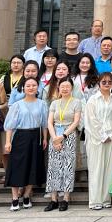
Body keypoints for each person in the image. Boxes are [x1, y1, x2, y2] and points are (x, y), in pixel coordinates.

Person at [4, 77, 48, 211]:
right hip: (20, 137)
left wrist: (45, 138)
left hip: (36, 136)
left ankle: (27, 195)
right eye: (28, 85)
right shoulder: (17, 105)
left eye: (34, 85)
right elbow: (10, 125)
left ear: (38, 88)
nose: (31, 88)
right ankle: (15, 198)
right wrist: (8, 142)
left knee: (33, 166)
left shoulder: (42, 104)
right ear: (23, 88)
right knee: (17, 166)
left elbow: (44, 123)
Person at [84, 72, 112, 210]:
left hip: (111, 138)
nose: (107, 84)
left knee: (108, 168)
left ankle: (106, 199)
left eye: (109, 82)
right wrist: (102, 136)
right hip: (95, 139)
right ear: (99, 83)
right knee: (96, 169)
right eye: (104, 82)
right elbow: (90, 121)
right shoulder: (93, 100)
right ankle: (95, 201)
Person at [44, 77, 81, 212]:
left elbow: (76, 122)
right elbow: (49, 122)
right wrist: (54, 138)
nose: (65, 89)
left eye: (67, 86)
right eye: (62, 86)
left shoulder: (76, 102)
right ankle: (53, 199)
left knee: (68, 166)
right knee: (53, 167)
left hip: (69, 135)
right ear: (58, 87)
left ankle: (65, 198)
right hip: (54, 134)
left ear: (72, 88)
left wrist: (63, 136)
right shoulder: (54, 103)